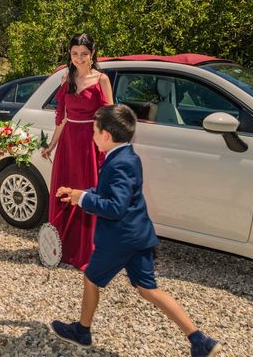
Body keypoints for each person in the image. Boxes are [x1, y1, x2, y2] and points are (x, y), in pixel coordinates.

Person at [50, 104, 222, 357]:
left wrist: (83, 199)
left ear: (106, 136)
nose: (93, 136)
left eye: (95, 132)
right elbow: (115, 195)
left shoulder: (118, 163)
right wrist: (82, 193)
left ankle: (82, 331)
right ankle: (199, 340)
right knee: (148, 289)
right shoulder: (128, 156)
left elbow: (115, 207)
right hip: (139, 235)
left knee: (91, 278)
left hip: (119, 240)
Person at [41, 33, 113, 269]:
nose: (79, 58)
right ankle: (59, 249)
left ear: (92, 54)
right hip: (69, 144)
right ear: (69, 55)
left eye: (84, 54)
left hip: (90, 145)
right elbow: (62, 119)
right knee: (64, 193)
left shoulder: (102, 79)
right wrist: (52, 145)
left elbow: (110, 118)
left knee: (85, 193)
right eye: (74, 54)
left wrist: (108, 149)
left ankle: (84, 251)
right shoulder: (67, 77)